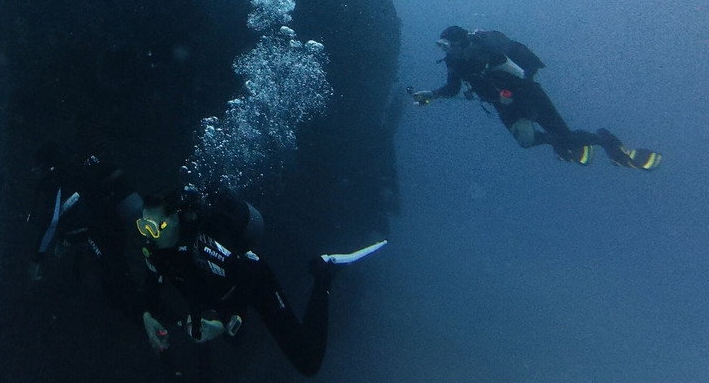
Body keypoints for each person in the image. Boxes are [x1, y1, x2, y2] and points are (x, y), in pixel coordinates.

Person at [136, 187, 384, 378]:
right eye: (143, 227)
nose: (149, 236)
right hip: (217, 294)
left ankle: (325, 272)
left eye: (154, 228)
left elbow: (246, 279)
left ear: (175, 220)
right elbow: (152, 281)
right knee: (222, 339)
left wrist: (222, 322)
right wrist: (148, 315)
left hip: (255, 281)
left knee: (308, 362)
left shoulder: (204, 246)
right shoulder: (159, 249)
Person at [408, 26, 661, 170]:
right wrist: (431, 95)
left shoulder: (485, 50)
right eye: (442, 47)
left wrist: (502, 83)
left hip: (526, 93)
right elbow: (452, 89)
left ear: (461, 41)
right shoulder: (455, 62)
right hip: (507, 104)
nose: (446, 51)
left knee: (562, 134)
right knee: (530, 141)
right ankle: (567, 144)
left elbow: (516, 71)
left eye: (447, 45)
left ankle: (606, 142)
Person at [27, 145, 143, 316]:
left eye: (36, 169)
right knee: (116, 271)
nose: (35, 174)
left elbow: (52, 221)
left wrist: (37, 258)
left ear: (44, 167)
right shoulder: (73, 173)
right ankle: (137, 310)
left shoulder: (55, 179)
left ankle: (141, 314)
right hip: (108, 222)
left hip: (100, 227)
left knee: (116, 275)